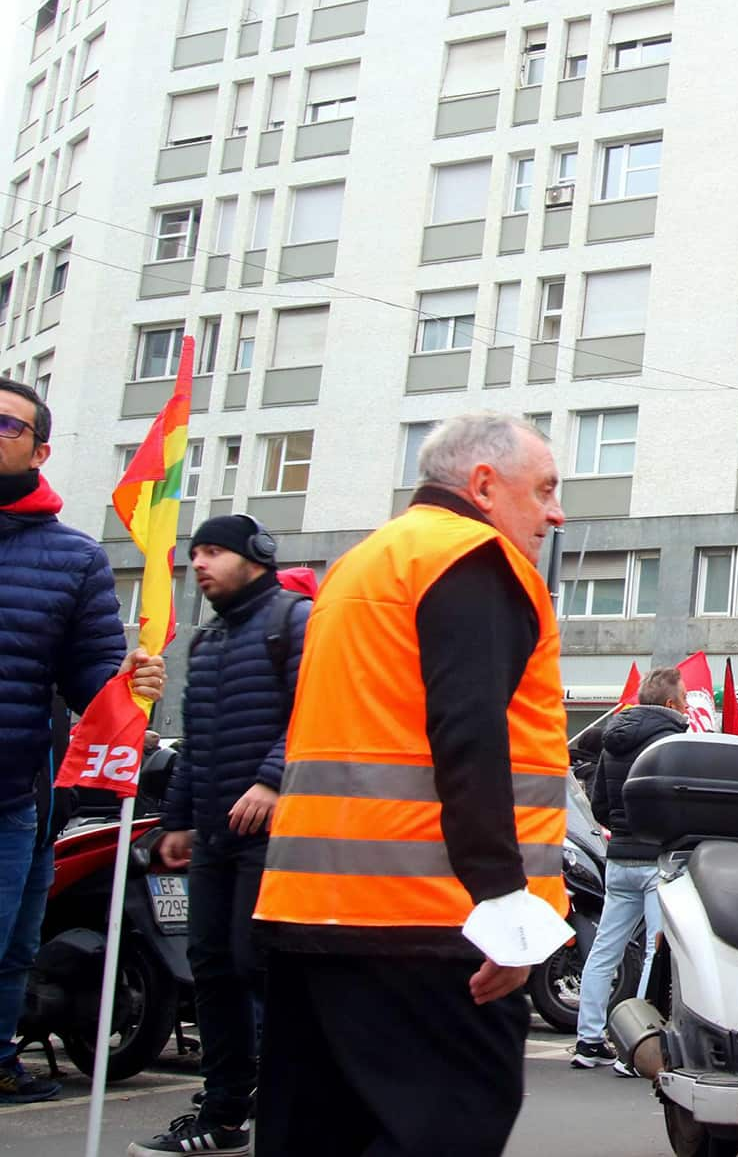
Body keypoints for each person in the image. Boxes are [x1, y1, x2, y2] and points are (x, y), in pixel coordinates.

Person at [249, 413, 570, 1156]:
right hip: (429, 922)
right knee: (451, 1126)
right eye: (545, 489)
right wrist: (503, 909)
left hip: (315, 913)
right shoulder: (472, 559)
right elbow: (470, 737)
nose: (555, 513)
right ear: (484, 485)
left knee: (317, 1135)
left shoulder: (364, 565)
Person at [0, 377, 164, 1105]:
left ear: (40, 449)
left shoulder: (73, 558)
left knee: (10, 947)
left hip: (16, 792)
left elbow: (93, 672)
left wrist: (131, 681)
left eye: (8, 426)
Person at [131, 515, 309, 1155]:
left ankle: (298, 1103)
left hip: (279, 833)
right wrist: (177, 820)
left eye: (213, 552)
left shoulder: (296, 621)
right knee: (209, 969)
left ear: (256, 555)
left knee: (255, 961)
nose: (199, 563)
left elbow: (316, 711)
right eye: (195, 552)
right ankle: (224, 1112)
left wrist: (271, 779)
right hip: (213, 835)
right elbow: (196, 745)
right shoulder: (205, 644)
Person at [571, 667, 688, 1073]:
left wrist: (621, 827)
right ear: (671, 704)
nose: (689, 704)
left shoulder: (612, 741)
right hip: (659, 858)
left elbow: (599, 802)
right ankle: (637, 1049)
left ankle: (588, 1040)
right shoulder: (674, 741)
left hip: (620, 856)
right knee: (655, 956)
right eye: (686, 698)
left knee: (605, 950)